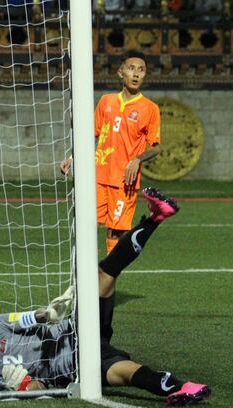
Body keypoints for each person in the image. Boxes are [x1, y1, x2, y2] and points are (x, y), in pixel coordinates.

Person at [0, 188, 211, 406]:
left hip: (74, 332)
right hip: (75, 369)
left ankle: (156, 218)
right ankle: (183, 388)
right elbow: (42, 394)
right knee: (124, 374)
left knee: (103, 276)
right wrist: (24, 384)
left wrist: (47, 314)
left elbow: (26, 318)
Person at [60, 50, 161, 255]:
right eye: (131, 68)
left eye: (141, 70)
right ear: (120, 72)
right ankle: (87, 282)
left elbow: (156, 146)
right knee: (87, 228)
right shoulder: (106, 101)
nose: (136, 74)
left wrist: (137, 159)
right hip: (97, 176)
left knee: (116, 233)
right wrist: (73, 157)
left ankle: (107, 283)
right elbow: (90, 135)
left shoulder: (150, 108)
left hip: (125, 181)